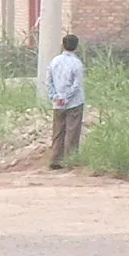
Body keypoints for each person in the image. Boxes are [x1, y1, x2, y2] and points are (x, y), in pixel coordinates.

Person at [45, 33, 86, 169]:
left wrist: (56, 97)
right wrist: (66, 98)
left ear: (63, 45)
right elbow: (76, 85)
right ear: (76, 47)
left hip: (58, 103)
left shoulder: (54, 61)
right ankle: (70, 161)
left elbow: (48, 81)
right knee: (72, 132)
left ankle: (56, 160)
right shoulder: (77, 64)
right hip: (74, 103)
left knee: (58, 131)